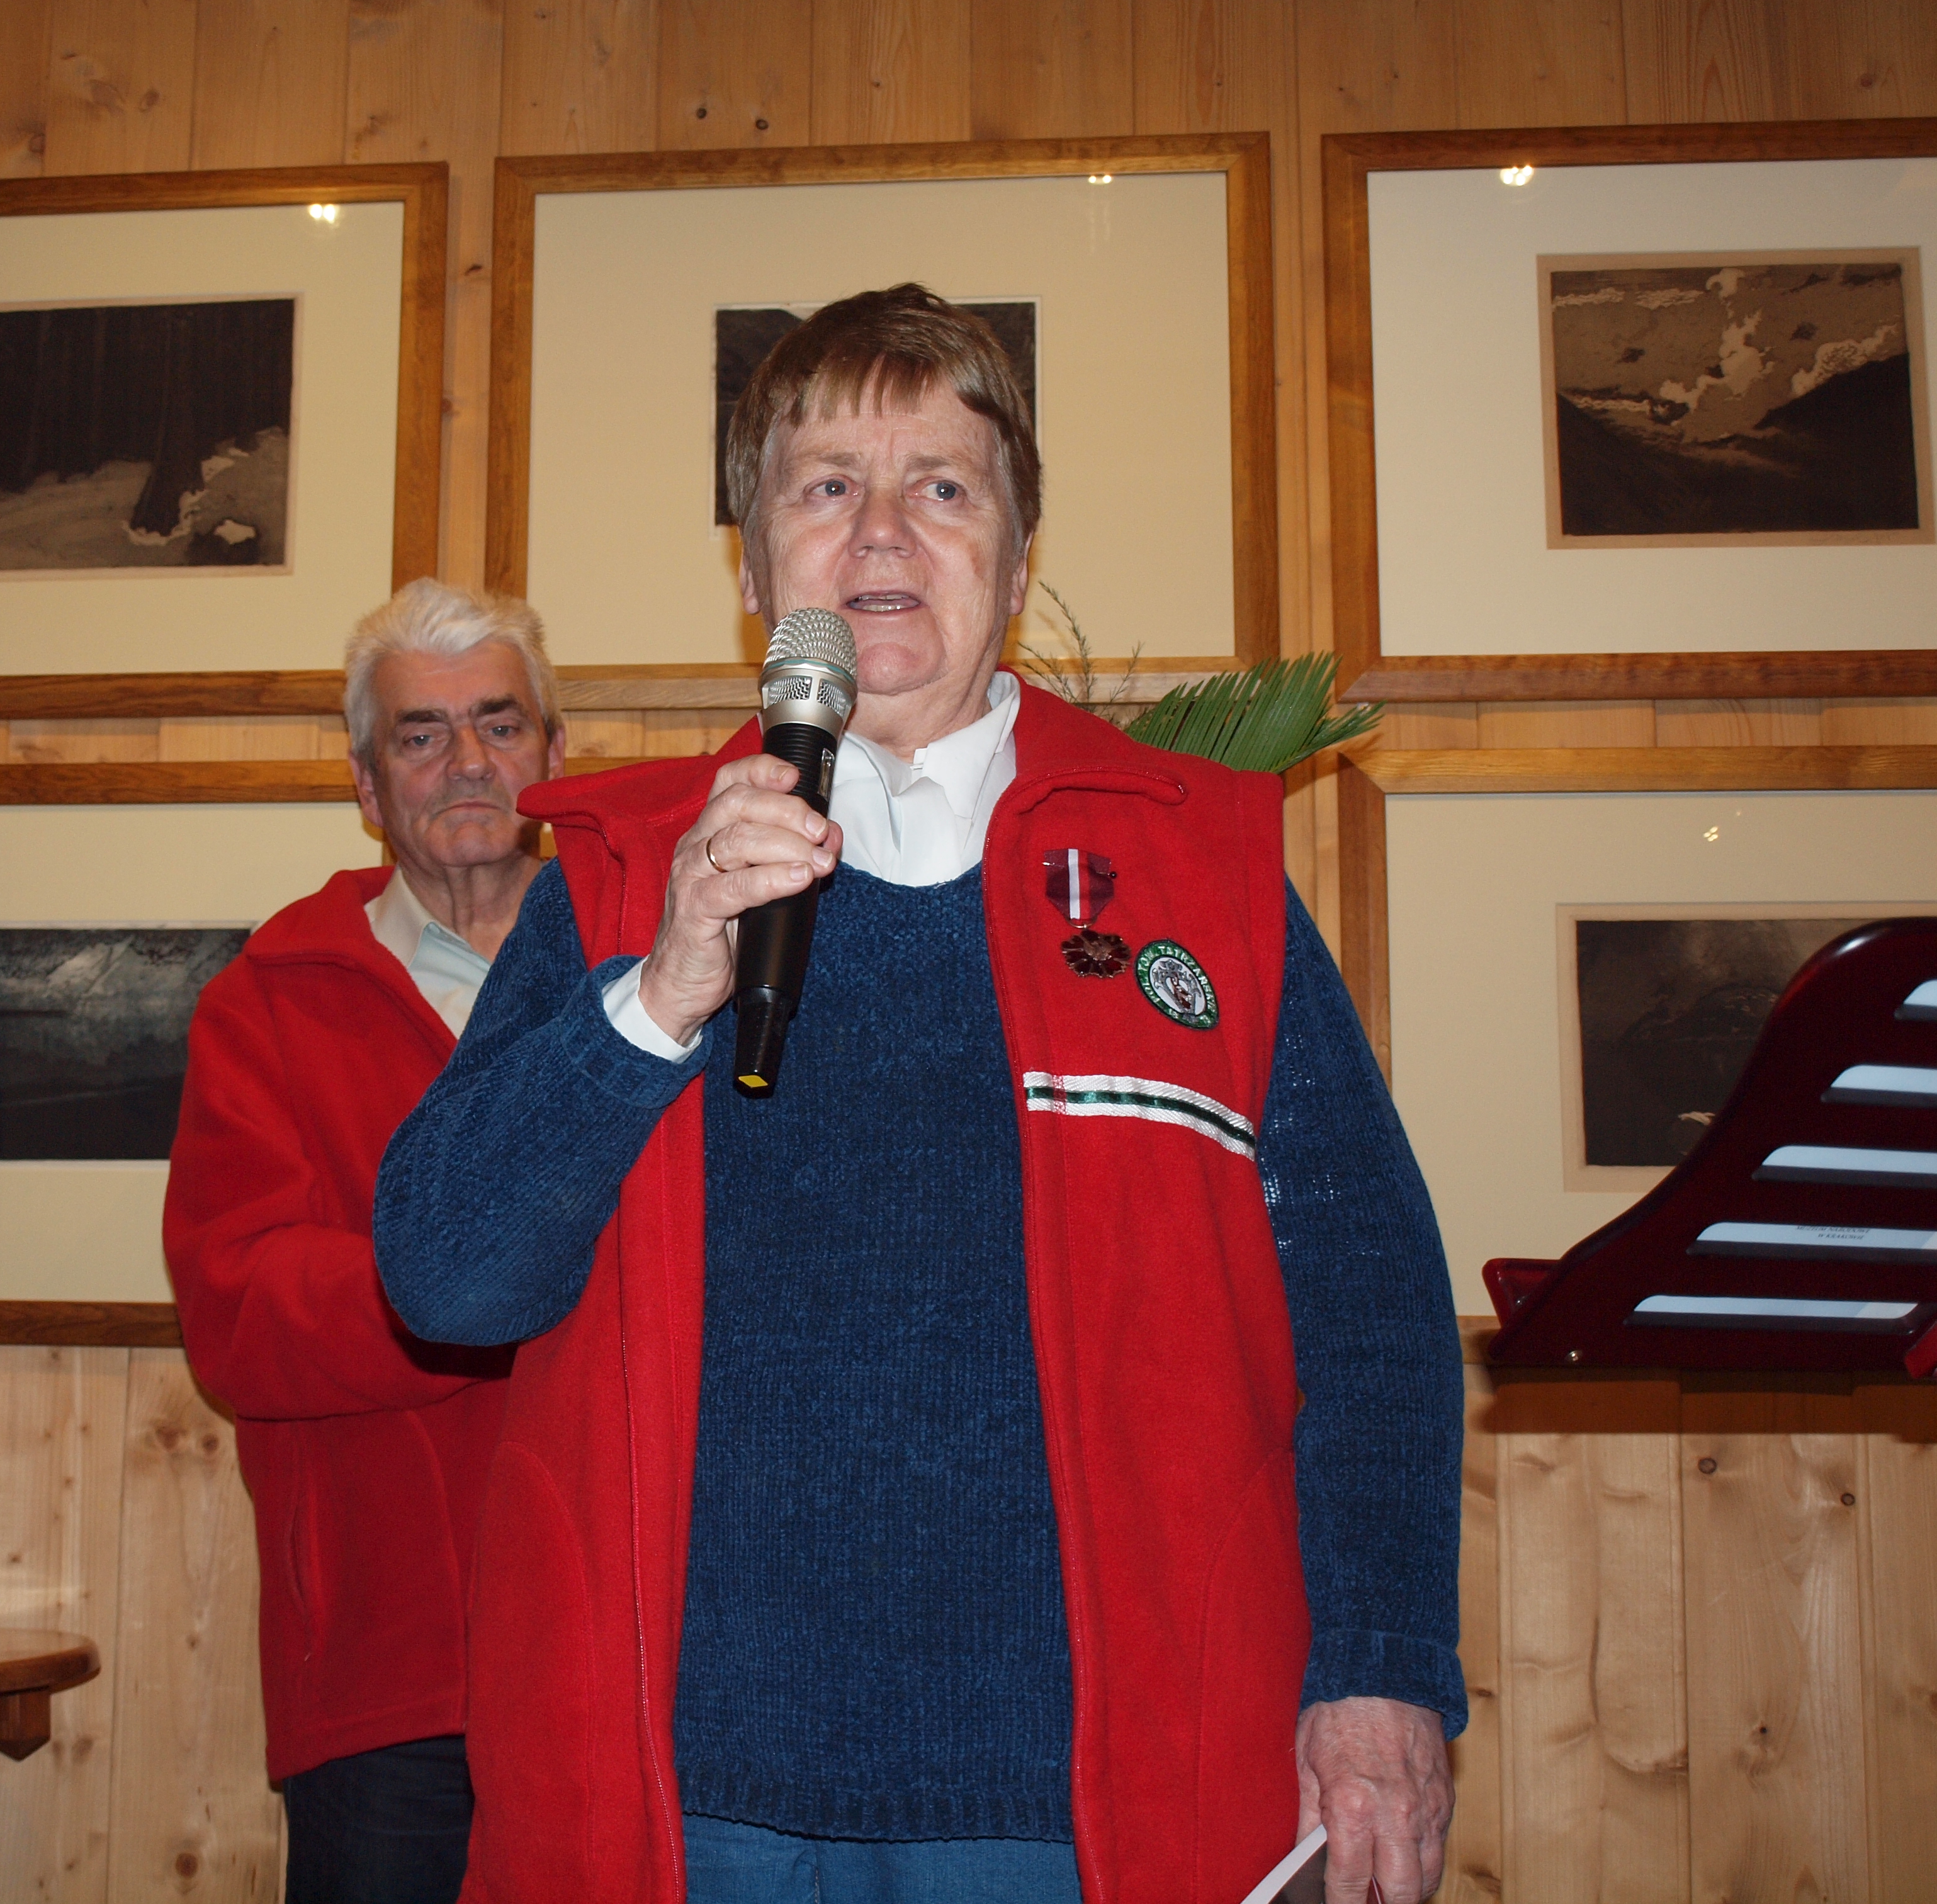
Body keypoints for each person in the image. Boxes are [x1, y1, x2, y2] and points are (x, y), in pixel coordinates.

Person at [371, 286, 1464, 1904]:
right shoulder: (616, 878)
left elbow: (1370, 1309)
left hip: (1095, 1803)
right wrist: (659, 994)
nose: (881, 528)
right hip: (688, 1806)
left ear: (1015, 564)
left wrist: (1382, 1664)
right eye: (826, 485)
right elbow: (447, 1278)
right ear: (757, 571)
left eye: (943, 485)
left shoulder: (1202, 872)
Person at [164, 577, 568, 1904]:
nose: (469, 761)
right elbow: (238, 1309)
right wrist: (480, 1284)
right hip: (391, 1673)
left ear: (553, 755)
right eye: (421, 734)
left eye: (500, 723)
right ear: (366, 784)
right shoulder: (269, 1005)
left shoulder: (657, 976)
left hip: (634, 1641)